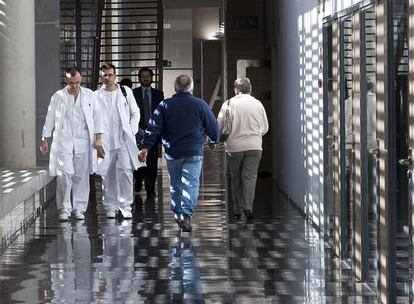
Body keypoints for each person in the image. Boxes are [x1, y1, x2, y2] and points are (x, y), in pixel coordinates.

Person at [138, 75, 219, 232]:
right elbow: (213, 127)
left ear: (175, 88)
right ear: (191, 88)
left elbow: (153, 127)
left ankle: (177, 212)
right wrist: (213, 140)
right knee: (191, 184)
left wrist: (145, 146)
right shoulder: (200, 105)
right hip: (193, 152)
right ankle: (186, 215)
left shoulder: (165, 105)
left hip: (173, 152)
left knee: (175, 184)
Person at [40, 66, 105, 221]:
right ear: (66, 81)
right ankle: (64, 208)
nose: (74, 86)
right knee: (64, 175)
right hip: (64, 141)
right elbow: (50, 118)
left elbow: (98, 117)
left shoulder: (89, 95)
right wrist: (44, 138)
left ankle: (79, 208)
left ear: (80, 80)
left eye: (77, 82)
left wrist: (98, 139)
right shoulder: (58, 96)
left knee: (81, 176)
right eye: (71, 83)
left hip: (83, 142)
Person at [217, 77, 269, 221]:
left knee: (236, 178)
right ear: (250, 88)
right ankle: (248, 208)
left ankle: (237, 210)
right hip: (254, 147)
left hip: (234, 148)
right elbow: (264, 128)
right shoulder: (258, 104)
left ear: (236, 90)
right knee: (250, 178)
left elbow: (219, 125)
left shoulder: (228, 104)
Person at [94, 63, 141, 219]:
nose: (107, 78)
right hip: (105, 141)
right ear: (101, 76)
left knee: (125, 172)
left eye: (110, 75)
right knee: (107, 173)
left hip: (123, 140)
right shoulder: (96, 95)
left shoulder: (125, 92)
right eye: (104, 75)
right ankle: (110, 206)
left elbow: (135, 112)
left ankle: (125, 205)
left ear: (115, 76)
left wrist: (132, 130)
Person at [133, 67, 164, 200]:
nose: (145, 78)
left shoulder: (159, 94)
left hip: (154, 131)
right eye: (143, 76)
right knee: (139, 161)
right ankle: (139, 180)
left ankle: (150, 188)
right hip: (137, 131)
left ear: (152, 78)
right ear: (139, 79)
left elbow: (162, 113)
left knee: (152, 161)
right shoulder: (133, 94)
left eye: (148, 76)